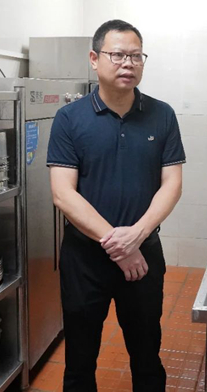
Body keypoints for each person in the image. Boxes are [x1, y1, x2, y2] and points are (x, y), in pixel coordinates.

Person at [47, 19, 185, 391]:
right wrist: (119, 246)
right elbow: (63, 194)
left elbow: (172, 184)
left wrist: (136, 236)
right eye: (118, 55)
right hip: (85, 258)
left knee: (147, 354)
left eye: (136, 56)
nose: (128, 63)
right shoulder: (69, 118)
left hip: (144, 253)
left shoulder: (162, 114)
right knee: (79, 359)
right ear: (94, 59)